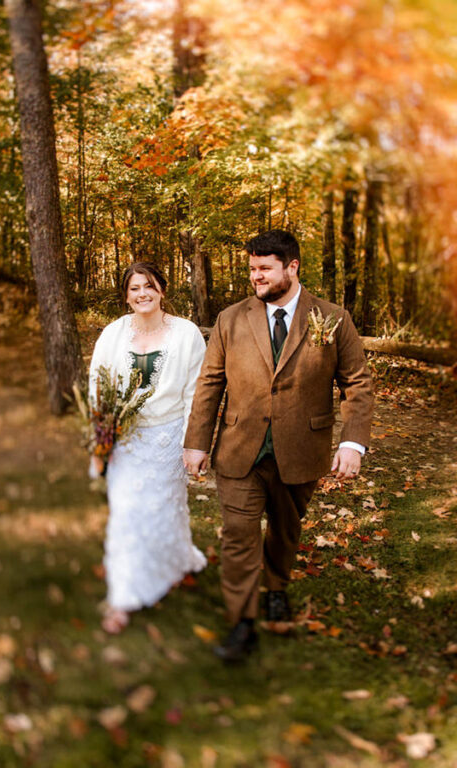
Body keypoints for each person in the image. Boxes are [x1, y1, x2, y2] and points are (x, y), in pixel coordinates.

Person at [183, 229, 374, 663]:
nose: (256, 276)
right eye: (251, 269)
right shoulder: (231, 319)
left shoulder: (333, 318)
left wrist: (352, 442)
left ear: (292, 267)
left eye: (264, 268)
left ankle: (276, 588)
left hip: (300, 448)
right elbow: (210, 382)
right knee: (238, 535)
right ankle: (243, 624)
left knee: (285, 531)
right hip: (239, 448)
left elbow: (358, 383)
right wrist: (196, 442)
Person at [88, 262, 208, 634]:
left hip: (168, 437)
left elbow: (196, 393)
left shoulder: (187, 334)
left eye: (149, 286)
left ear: (162, 290)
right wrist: (101, 439)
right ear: (126, 295)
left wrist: (194, 444)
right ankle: (123, 596)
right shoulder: (112, 334)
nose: (142, 294)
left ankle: (172, 561)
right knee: (125, 513)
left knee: (164, 509)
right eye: (134, 288)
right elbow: (98, 385)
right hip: (125, 440)